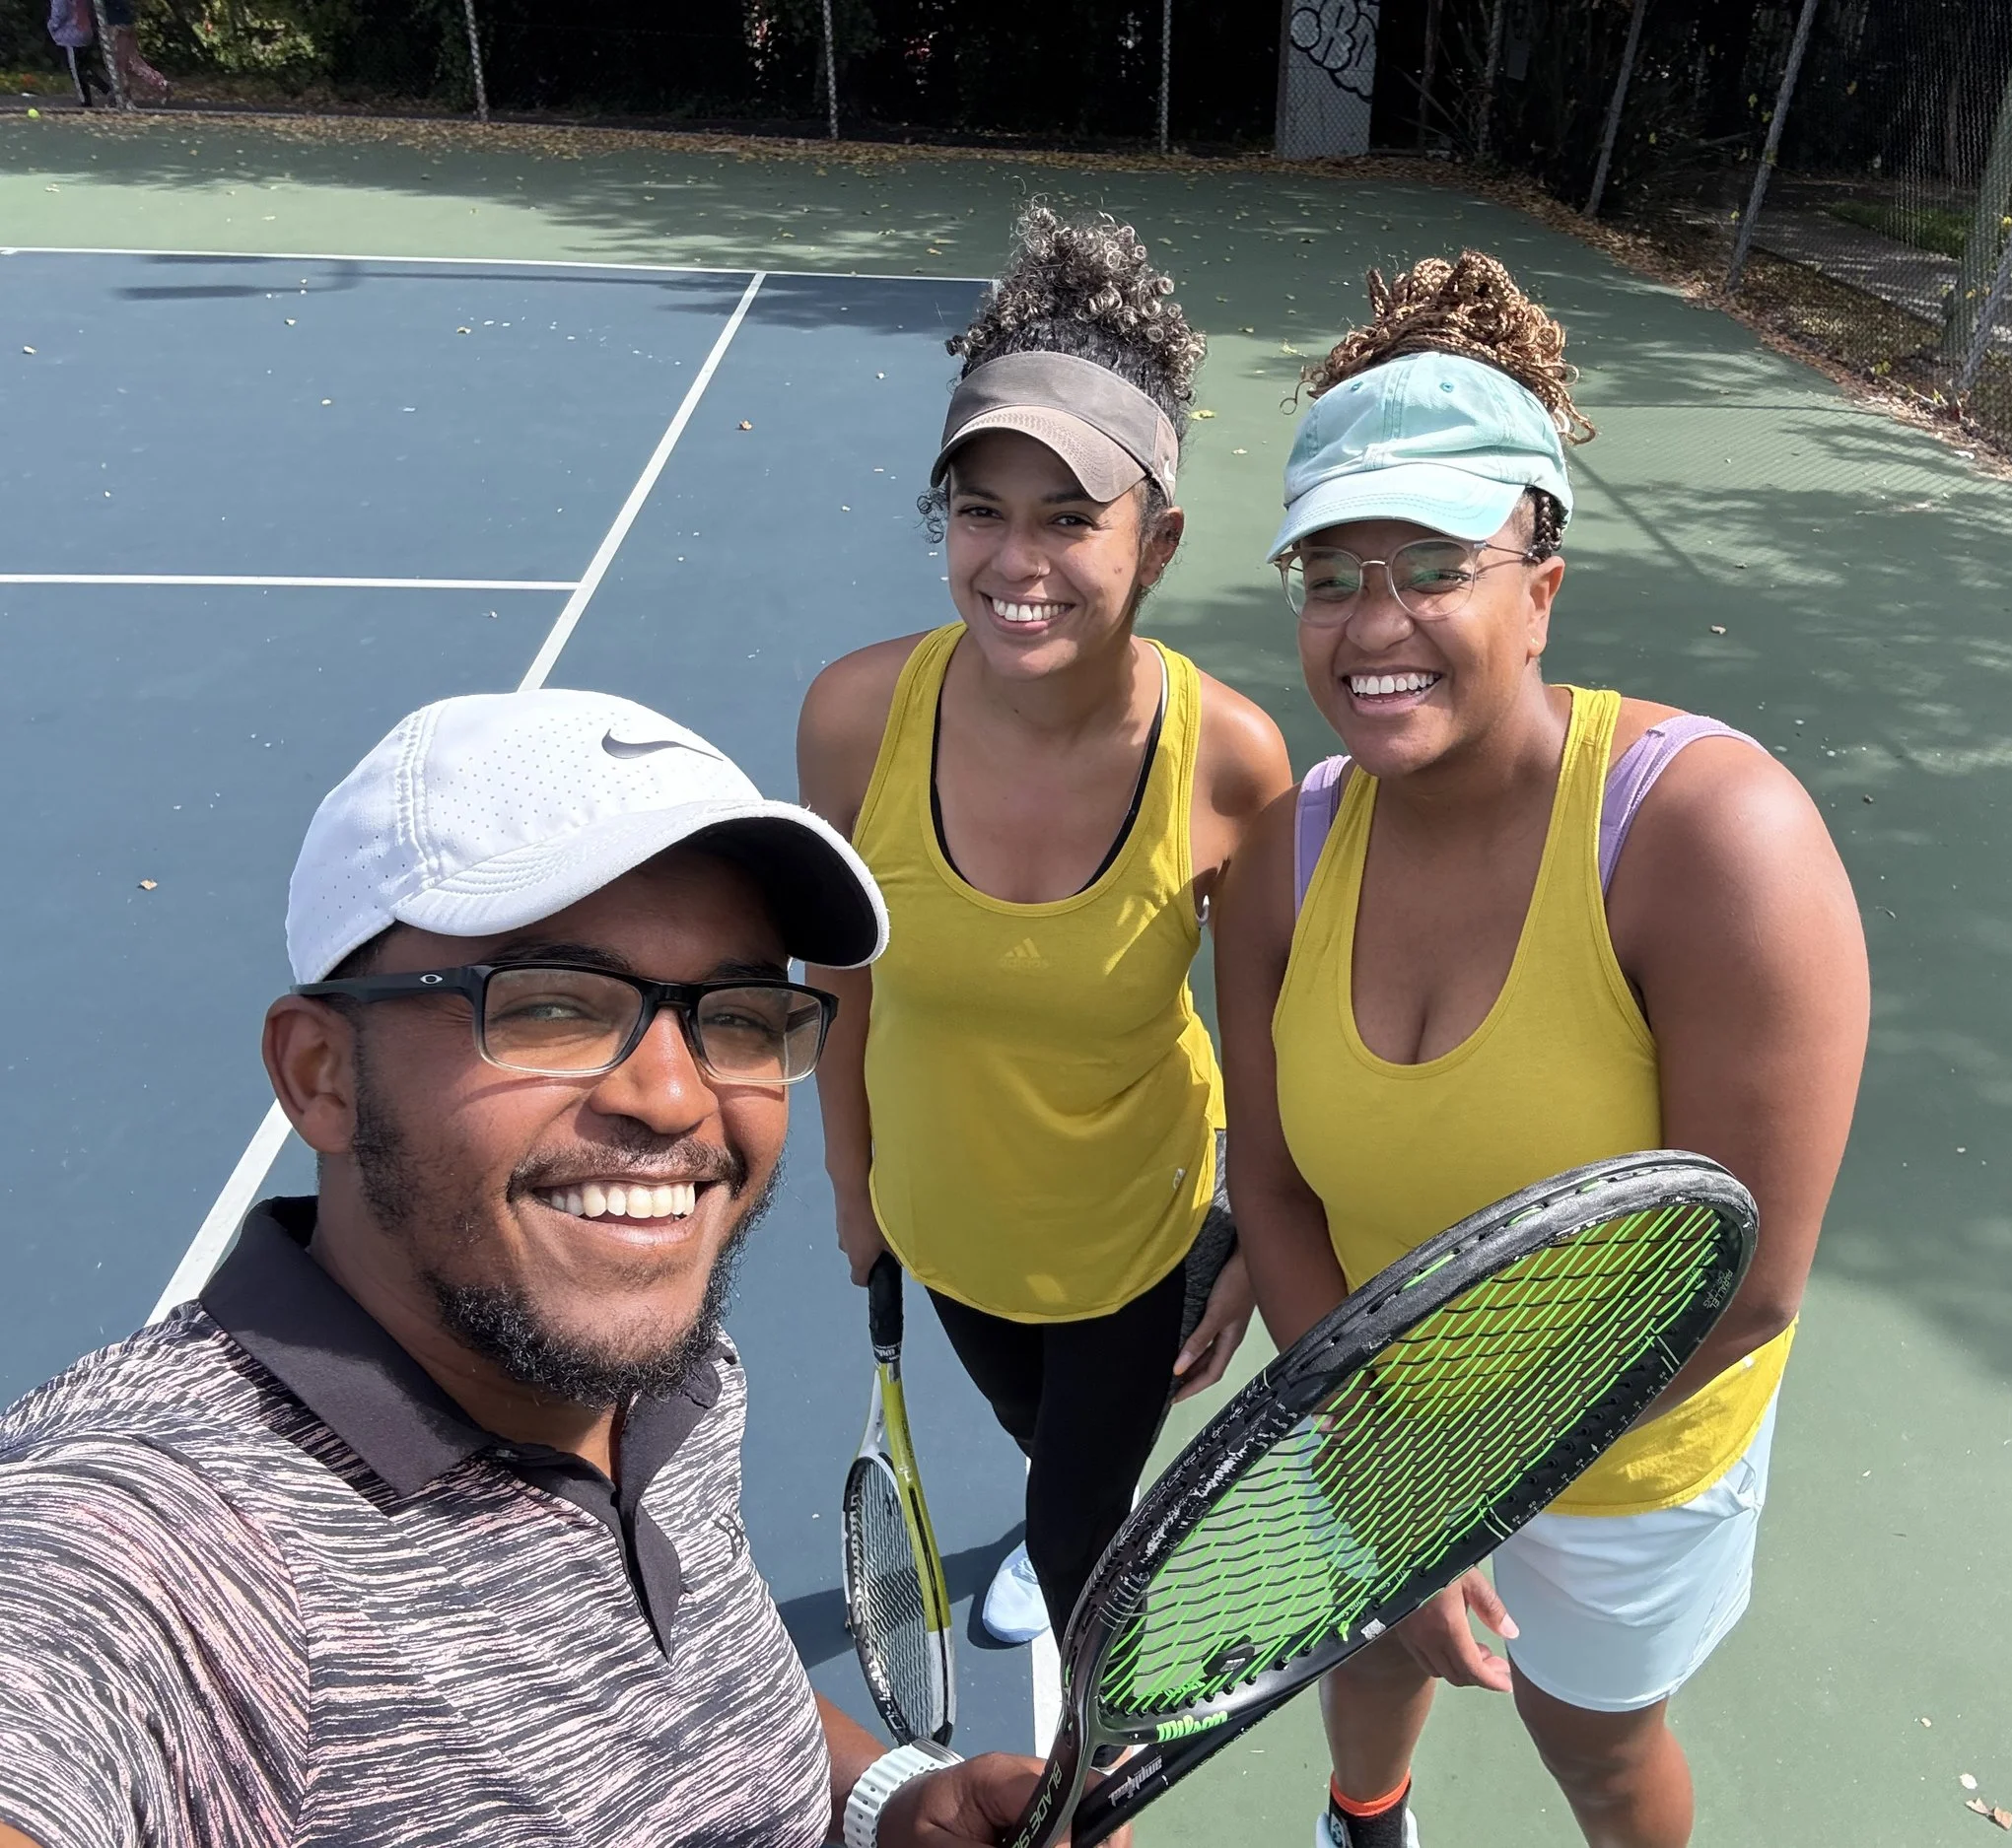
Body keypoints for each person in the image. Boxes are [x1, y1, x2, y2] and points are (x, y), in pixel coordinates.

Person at [0, 689, 1065, 1848]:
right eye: (552, 1004)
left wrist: (885, 1801)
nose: (673, 1096)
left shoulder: (656, 1358)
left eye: (740, 1013)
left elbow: (680, 1685)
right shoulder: (154, 1548)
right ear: (322, 1075)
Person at [1214, 253, 1869, 1848]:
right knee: (1362, 1654)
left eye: (1433, 564)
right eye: (1329, 575)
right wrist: (1374, 1458)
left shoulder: (1717, 839)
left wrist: (1462, 1501)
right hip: (1380, 1417)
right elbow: (1278, 1192)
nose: (1374, 625)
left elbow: (1748, 1282)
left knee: (1593, 1740)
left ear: (1542, 581)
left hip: (1636, 1444)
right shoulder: (1278, 860)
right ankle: (1365, 1819)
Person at [798, 206, 1290, 1645]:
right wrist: (851, 1182)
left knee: (1088, 1558)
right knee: (1040, 1444)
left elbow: (1267, 1038)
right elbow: (838, 976)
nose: (1018, 561)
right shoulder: (852, 717)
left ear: (1161, 540)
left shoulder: (1230, 762)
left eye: (1072, 517)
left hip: (1138, 1236)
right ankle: (1060, 1493)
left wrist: (1257, 1229)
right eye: (981, 510)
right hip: (941, 1221)